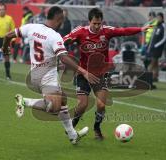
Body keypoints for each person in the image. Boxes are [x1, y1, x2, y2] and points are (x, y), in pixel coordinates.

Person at [2, 6, 99, 144]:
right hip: (48, 78)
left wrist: (5, 49)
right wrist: (84, 71)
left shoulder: (31, 27)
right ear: (59, 19)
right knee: (54, 107)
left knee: (63, 100)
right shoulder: (55, 36)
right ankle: (24, 101)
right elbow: (64, 57)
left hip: (35, 75)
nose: (62, 23)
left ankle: (72, 135)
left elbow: (7, 36)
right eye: (62, 20)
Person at [63, 8, 150, 140]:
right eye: (95, 23)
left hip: (101, 73)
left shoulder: (107, 31)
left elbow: (123, 31)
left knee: (101, 105)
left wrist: (140, 29)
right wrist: (66, 42)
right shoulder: (80, 32)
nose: (97, 26)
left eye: (99, 23)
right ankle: (72, 126)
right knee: (82, 105)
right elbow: (63, 41)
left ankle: (96, 127)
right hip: (84, 74)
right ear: (89, 22)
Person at [147, 12, 166, 82]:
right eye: (157, 18)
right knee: (155, 63)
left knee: (152, 63)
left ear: (162, 18)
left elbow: (164, 37)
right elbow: (153, 37)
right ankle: (155, 77)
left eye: (159, 18)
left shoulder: (164, 26)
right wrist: (149, 45)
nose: (158, 19)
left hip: (158, 48)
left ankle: (147, 77)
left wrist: (156, 45)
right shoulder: (156, 26)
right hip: (152, 47)